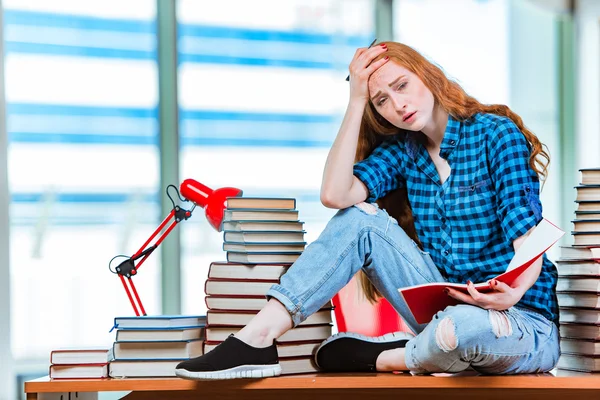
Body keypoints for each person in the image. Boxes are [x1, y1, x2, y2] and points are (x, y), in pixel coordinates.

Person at [175, 41, 559, 380]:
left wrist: (513, 292)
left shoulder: (495, 133)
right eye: (381, 101)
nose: (398, 105)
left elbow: (528, 233)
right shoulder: (403, 153)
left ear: (427, 75)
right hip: (443, 312)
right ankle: (256, 338)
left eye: (402, 85)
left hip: (519, 319)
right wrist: (356, 100)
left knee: (464, 328)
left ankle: (391, 356)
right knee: (361, 217)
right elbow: (335, 194)